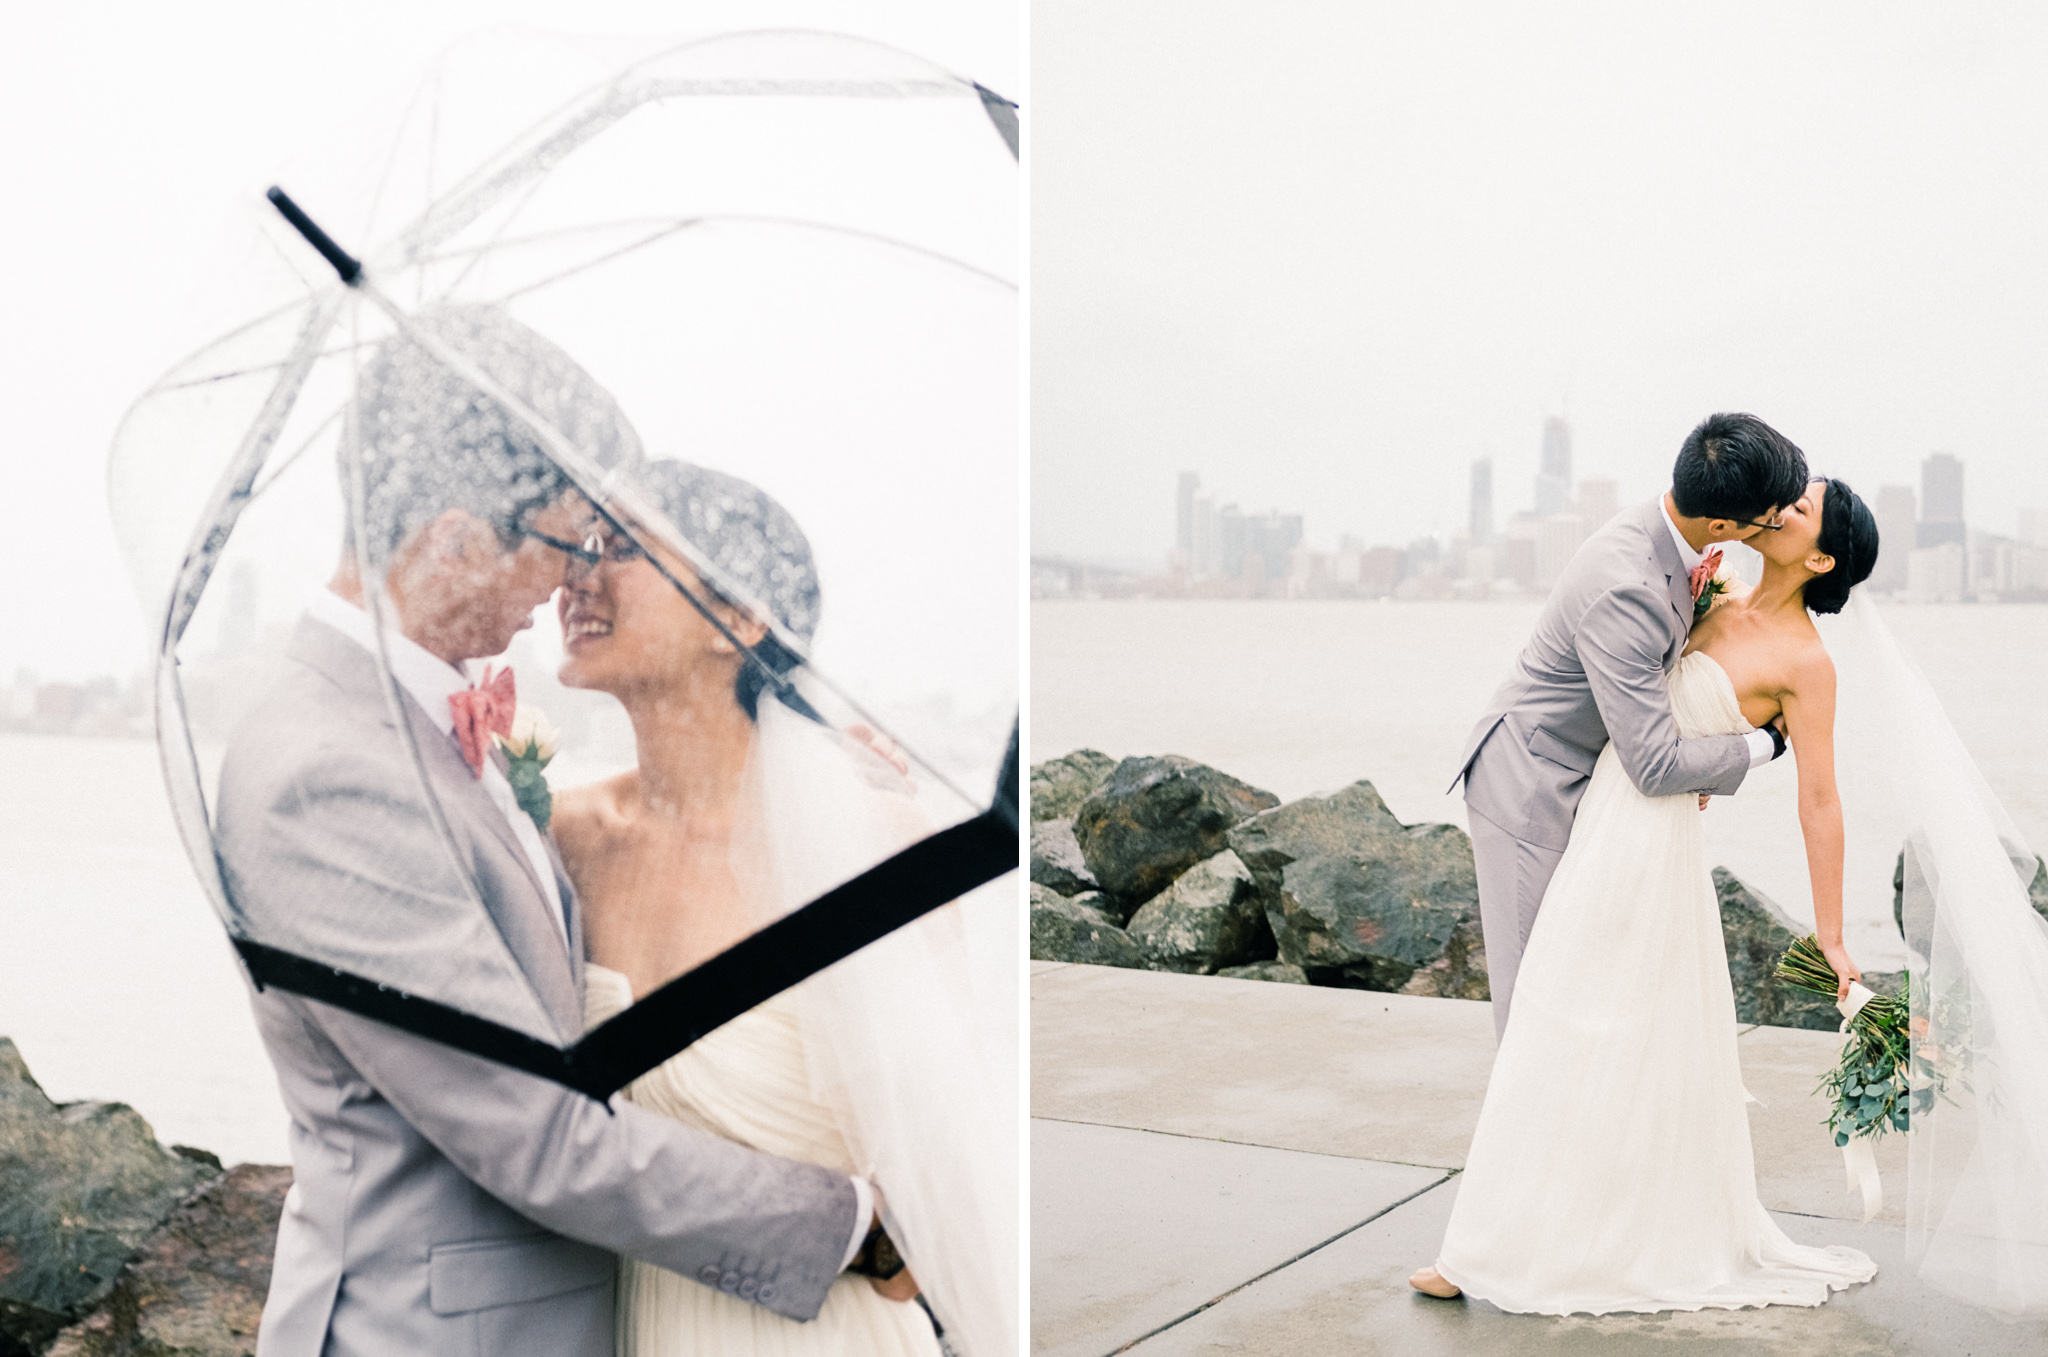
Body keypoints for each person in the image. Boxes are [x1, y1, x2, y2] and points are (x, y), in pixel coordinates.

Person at [213, 305, 886, 1356]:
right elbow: (536, 1137)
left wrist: (817, 774)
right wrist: (851, 1226)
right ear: (456, 541)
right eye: (567, 544)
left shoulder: (435, 738)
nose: (571, 582)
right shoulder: (326, 771)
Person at [551, 459, 1014, 1357]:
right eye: (580, 543)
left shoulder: (872, 843)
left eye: (622, 546)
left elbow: (934, 1224)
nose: (578, 572)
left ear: (740, 616)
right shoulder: (563, 836)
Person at [1411, 472, 1882, 1311]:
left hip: (1652, 847)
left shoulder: (1809, 663)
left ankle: (1504, 1249)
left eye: (1796, 509)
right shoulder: (1715, 586)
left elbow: (1821, 798)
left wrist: (1833, 934)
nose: (1776, 511)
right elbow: (1640, 704)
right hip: (1596, 811)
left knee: (1598, 1033)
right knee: (1560, 1026)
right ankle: (1494, 1244)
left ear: (1818, 556)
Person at [1449, 412, 1811, 1039]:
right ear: (1722, 523)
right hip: (1528, 780)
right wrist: (1767, 743)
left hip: (1585, 772)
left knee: (1581, 975)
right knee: (1533, 992)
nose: (1776, 524)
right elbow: (1655, 765)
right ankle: (1527, 1134)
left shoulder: (1669, 537)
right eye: (1770, 516)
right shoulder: (1629, 587)